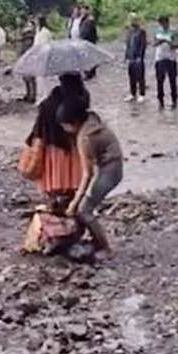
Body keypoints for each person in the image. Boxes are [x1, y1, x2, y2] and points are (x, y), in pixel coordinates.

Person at [59, 97, 121, 257]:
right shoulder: (92, 120)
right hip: (114, 164)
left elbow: (88, 174)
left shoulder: (84, 138)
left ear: (73, 122)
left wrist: (74, 202)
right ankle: (92, 240)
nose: (64, 129)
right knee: (84, 207)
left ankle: (105, 248)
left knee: (84, 210)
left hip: (110, 171)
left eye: (64, 125)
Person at [28, 74, 90, 196]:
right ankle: (73, 193)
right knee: (75, 175)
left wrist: (31, 139)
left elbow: (40, 125)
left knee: (56, 174)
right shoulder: (83, 98)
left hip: (53, 144)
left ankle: (56, 195)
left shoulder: (49, 102)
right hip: (76, 145)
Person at [152, 15, 178, 110]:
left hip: (171, 58)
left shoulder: (174, 31)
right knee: (160, 81)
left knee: (172, 81)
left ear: (167, 23)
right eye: (161, 24)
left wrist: (168, 42)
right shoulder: (157, 31)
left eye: (164, 24)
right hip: (159, 58)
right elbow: (154, 43)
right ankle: (161, 101)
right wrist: (160, 41)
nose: (163, 26)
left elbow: (176, 45)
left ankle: (174, 100)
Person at [123, 13, 148, 103]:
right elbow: (128, 44)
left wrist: (140, 56)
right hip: (131, 57)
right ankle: (132, 93)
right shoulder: (129, 31)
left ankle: (142, 94)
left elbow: (143, 45)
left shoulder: (141, 31)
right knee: (131, 76)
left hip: (138, 57)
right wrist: (126, 56)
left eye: (132, 20)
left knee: (140, 76)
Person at [33, 16, 54, 103]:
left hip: (44, 56)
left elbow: (45, 45)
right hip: (38, 56)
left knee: (44, 78)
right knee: (39, 78)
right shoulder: (38, 31)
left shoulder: (45, 32)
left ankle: (45, 96)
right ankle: (40, 95)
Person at [19, 15, 39, 103]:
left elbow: (30, 38)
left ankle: (33, 95)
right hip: (24, 53)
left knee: (30, 76)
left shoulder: (29, 28)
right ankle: (28, 94)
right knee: (25, 76)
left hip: (30, 54)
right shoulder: (22, 28)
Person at [80, 7, 100, 80]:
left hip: (89, 41)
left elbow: (89, 32)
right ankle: (89, 72)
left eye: (84, 10)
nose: (82, 11)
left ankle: (90, 73)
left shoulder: (89, 20)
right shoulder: (83, 19)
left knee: (89, 57)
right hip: (84, 41)